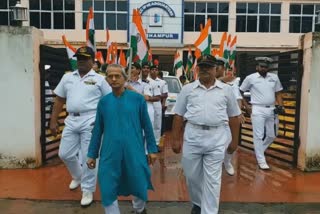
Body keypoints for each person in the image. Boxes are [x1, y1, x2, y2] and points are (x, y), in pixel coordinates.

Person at [171, 54, 241, 214]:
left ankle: (208, 211)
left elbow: (234, 117)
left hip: (217, 137)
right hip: (193, 135)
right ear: (197, 69)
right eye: (202, 67)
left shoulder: (226, 90)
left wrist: (234, 142)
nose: (205, 70)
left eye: (208, 67)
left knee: (213, 180)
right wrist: (175, 140)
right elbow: (178, 115)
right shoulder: (188, 89)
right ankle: (198, 203)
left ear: (215, 69)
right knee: (191, 176)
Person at [86, 64, 158, 214]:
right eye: (110, 76)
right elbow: (98, 130)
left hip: (134, 150)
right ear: (106, 79)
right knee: (107, 184)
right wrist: (92, 154)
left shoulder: (137, 99)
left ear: (125, 79)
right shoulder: (104, 102)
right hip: (109, 152)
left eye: (117, 76)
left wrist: (152, 149)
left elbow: (147, 126)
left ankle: (139, 210)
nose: (113, 79)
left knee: (138, 180)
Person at [49, 46, 111, 206]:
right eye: (79, 59)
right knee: (64, 154)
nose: (81, 62)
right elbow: (59, 100)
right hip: (71, 120)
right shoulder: (68, 77)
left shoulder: (100, 79)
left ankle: (87, 190)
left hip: (91, 121)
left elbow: (109, 101)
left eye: (84, 59)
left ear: (92, 60)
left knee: (88, 157)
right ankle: (77, 176)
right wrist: (53, 120)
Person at [240, 57, 284, 170]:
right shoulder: (250, 78)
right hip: (257, 109)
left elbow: (278, 92)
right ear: (257, 67)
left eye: (265, 66)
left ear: (268, 67)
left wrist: (281, 105)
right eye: (261, 66)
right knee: (258, 136)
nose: (263, 68)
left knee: (272, 134)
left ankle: (259, 151)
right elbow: (240, 92)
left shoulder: (274, 77)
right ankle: (261, 160)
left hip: (272, 109)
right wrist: (246, 106)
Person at [215, 56, 243, 176]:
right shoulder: (205, 82)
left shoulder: (231, 84)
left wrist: (239, 112)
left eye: (219, 67)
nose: (217, 69)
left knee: (231, 144)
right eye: (215, 67)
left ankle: (227, 161)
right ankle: (216, 165)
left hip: (228, 118)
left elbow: (238, 98)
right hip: (213, 120)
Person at [149, 65, 168, 147]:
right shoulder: (146, 81)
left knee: (157, 124)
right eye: (152, 69)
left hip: (157, 103)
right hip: (148, 103)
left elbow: (165, 94)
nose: (154, 71)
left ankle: (156, 143)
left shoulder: (162, 82)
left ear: (158, 71)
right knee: (149, 122)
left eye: (155, 70)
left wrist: (157, 96)